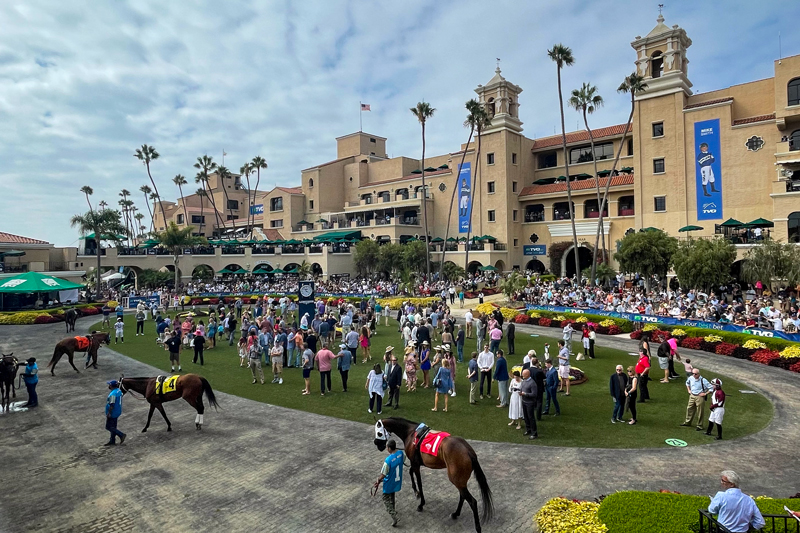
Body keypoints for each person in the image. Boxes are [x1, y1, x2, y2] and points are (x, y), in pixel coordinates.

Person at [377, 439, 404, 528]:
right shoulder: (401, 453)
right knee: (393, 495)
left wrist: (378, 480)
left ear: (389, 448)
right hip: (397, 481)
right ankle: (394, 509)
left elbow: (383, 474)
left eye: (387, 447)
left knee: (385, 498)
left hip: (389, 483)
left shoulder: (388, 460)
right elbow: (403, 460)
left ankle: (394, 515)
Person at [104, 380, 126, 446]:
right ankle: (112, 440)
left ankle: (121, 435)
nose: (108, 386)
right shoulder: (119, 391)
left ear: (111, 386)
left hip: (113, 412)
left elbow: (112, 404)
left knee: (108, 427)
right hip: (117, 411)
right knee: (113, 427)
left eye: (109, 385)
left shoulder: (113, 394)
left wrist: (109, 413)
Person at [518, 369, 538, 439]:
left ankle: (534, 433)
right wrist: (520, 392)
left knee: (531, 417)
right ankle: (528, 429)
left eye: (523, 374)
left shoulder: (532, 383)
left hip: (530, 403)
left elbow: (534, 394)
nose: (522, 375)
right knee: (526, 417)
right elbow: (522, 389)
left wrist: (525, 394)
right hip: (524, 401)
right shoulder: (523, 381)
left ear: (527, 374)